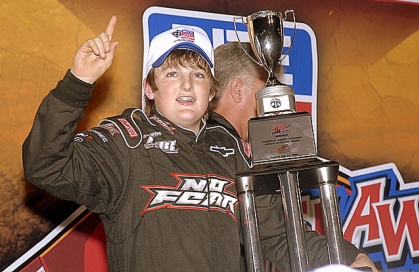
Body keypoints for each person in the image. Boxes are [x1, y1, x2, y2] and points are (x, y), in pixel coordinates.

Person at [23, 17, 248, 271]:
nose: (187, 84)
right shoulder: (126, 142)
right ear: (150, 88)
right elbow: (45, 164)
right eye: (172, 73)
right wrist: (78, 83)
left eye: (198, 74)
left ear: (210, 92)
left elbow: (274, 233)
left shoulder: (232, 150)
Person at [208, 41, 379, 271]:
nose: (273, 107)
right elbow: (277, 235)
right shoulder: (224, 148)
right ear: (238, 89)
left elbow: (274, 233)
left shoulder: (234, 149)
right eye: (266, 93)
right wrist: (351, 258)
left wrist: (348, 256)